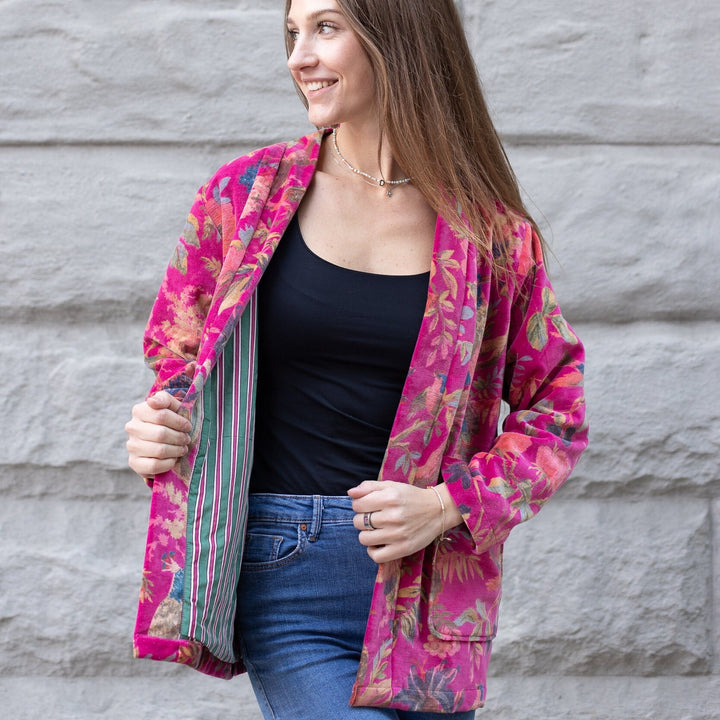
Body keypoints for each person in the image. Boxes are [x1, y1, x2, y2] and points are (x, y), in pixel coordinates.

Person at [125, 0, 588, 717]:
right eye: (292, 34)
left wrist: (448, 504)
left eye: (325, 28)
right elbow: (180, 371)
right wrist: (157, 430)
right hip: (289, 579)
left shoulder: (493, 235)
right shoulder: (244, 199)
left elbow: (558, 411)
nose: (298, 57)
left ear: (396, 34)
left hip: (434, 597)